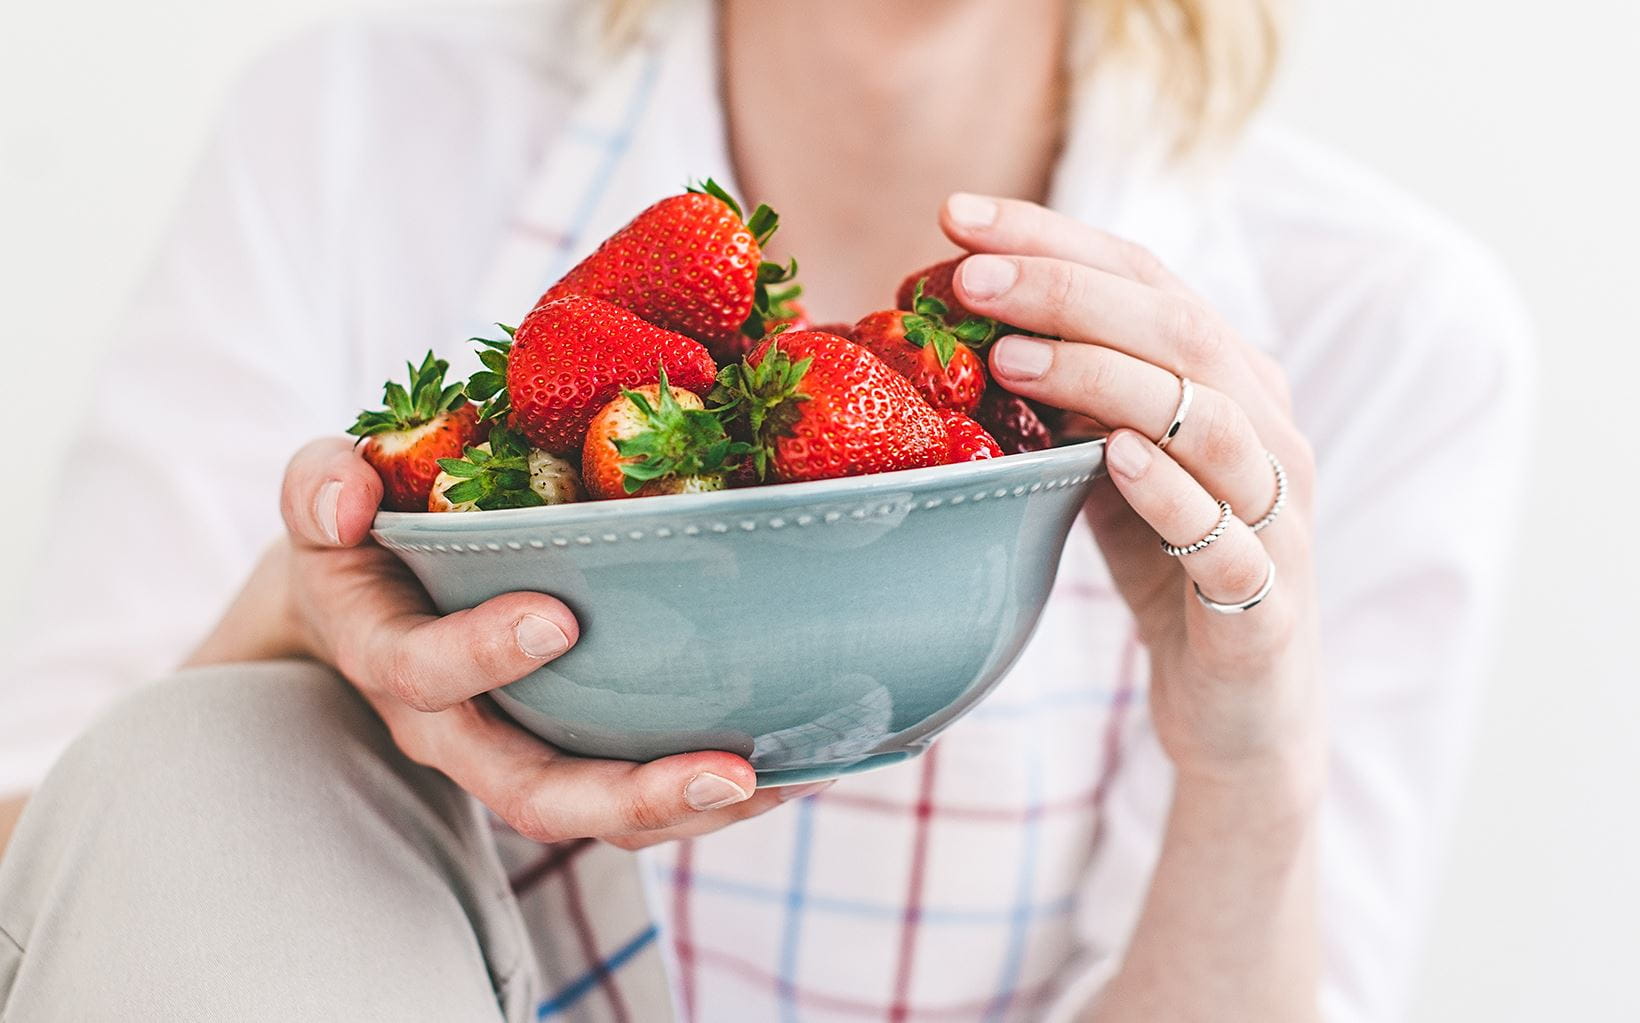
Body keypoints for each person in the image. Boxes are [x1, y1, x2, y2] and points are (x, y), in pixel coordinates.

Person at [0, 0, 1531, 1020]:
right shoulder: (347, 134)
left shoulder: (1381, 332)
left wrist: (1245, 755)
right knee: (201, 747)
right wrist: (306, 611)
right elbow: (56, 876)